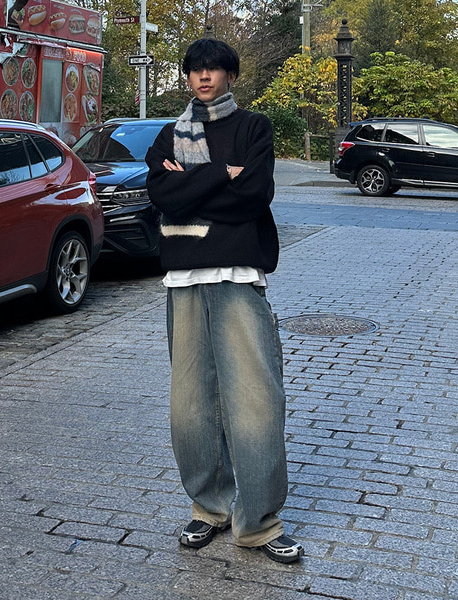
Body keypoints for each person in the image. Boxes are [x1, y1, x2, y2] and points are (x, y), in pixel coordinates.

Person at [145, 38, 304, 564]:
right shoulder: (169, 134)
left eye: (214, 69)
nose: (204, 77)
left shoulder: (253, 128)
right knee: (190, 405)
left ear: (231, 75)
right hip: (183, 279)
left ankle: (258, 522)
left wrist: (193, 184)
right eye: (195, 70)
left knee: (256, 399)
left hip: (238, 274)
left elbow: (254, 195)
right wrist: (220, 174)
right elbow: (163, 197)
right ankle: (208, 508)